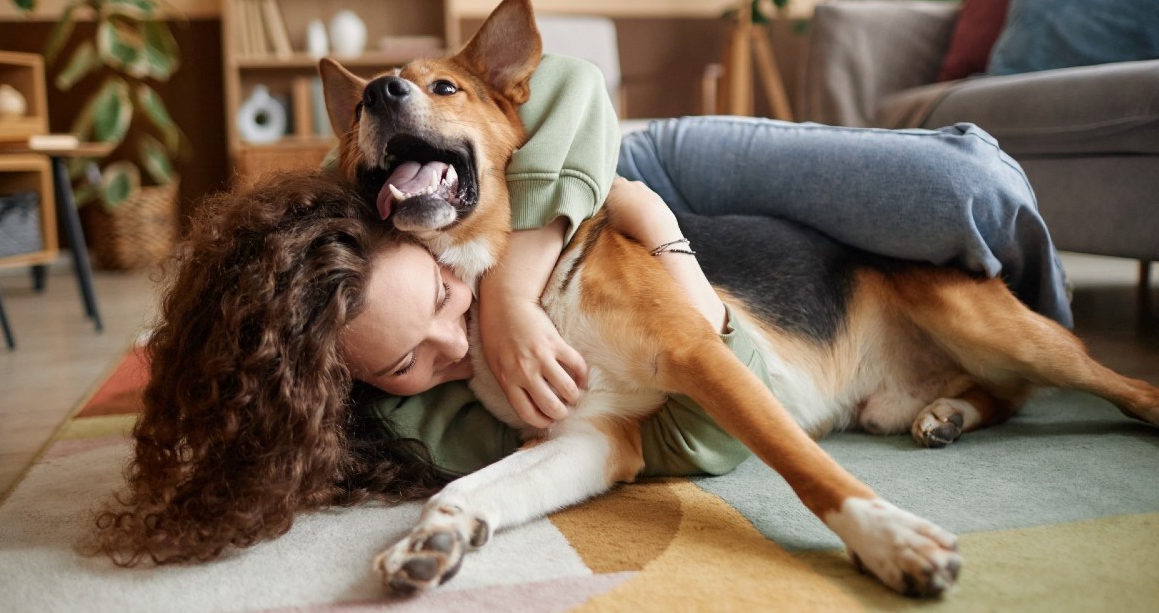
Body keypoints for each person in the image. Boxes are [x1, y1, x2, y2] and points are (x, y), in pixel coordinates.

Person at [92, 56, 1072, 566]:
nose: (451, 332)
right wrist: (464, 503)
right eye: (403, 363)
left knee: (970, 202)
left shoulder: (346, 193)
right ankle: (988, 384)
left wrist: (516, 285)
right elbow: (625, 441)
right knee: (955, 233)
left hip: (625, 160)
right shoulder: (356, 341)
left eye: (441, 298)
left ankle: (993, 220)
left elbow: (564, 88)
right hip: (653, 261)